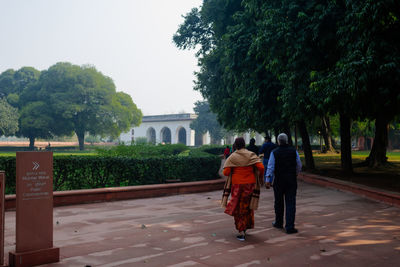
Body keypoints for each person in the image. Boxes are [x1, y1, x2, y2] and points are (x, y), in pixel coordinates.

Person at [221, 137, 264, 241]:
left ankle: (241, 231)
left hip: (237, 185)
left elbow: (225, 172)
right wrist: (259, 177)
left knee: (239, 208)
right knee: (248, 206)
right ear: (244, 144)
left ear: (235, 145)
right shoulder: (250, 154)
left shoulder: (233, 157)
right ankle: (245, 228)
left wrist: (234, 169)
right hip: (250, 184)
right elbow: (261, 167)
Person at [265, 133, 302, 234]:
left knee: (278, 202)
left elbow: (270, 167)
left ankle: (279, 222)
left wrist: (268, 180)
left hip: (279, 180)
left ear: (278, 141)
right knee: (290, 203)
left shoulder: (274, 152)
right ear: (287, 141)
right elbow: (299, 165)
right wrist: (295, 174)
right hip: (291, 180)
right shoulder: (294, 151)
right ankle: (290, 226)